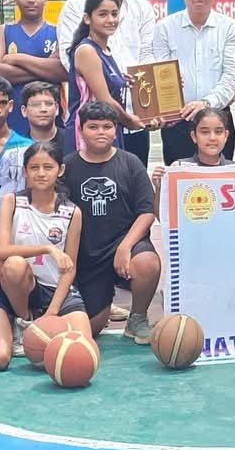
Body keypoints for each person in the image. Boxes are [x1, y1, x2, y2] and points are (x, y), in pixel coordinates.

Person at [61, 100, 162, 341]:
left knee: (147, 263)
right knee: (90, 329)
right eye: (93, 127)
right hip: (88, 254)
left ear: (115, 130)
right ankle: (101, 307)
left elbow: (147, 211)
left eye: (107, 127)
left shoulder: (130, 162)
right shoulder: (69, 166)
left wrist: (125, 247)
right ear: (81, 130)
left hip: (125, 242)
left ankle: (137, 318)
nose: (101, 132)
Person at [55, 0, 160, 159]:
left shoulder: (142, 8)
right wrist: (112, 81)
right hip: (95, 127)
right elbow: (70, 60)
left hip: (134, 113)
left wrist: (158, 90)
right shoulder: (77, 15)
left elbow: (147, 55)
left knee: (129, 172)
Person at [0, 142, 86, 362]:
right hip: (23, 287)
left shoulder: (72, 212)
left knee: (79, 349)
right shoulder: (12, 202)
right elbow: (2, 250)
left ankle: (43, 318)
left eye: (48, 167)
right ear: (25, 171)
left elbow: (70, 269)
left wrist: (52, 314)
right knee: (14, 264)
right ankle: (23, 320)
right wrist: (47, 248)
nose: (41, 173)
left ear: (60, 170)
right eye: (34, 167)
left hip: (56, 289)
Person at [153, 0, 235, 164]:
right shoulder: (164, 28)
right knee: (179, 177)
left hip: (217, 119)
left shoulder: (230, 28)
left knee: (221, 178)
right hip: (178, 122)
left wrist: (205, 104)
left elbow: (230, 77)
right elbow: (160, 75)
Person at [67, 0, 149, 150]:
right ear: (87, 18)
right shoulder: (87, 51)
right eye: (103, 14)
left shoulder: (106, 50)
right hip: (88, 135)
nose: (111, 20)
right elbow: (105, 99)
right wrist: (131, 121)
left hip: (107, 131)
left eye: (114, 14)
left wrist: (121, 81)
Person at [0, 0, 64, 136]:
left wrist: (17, 58)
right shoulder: (2, 31)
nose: (31, 0)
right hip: (12, 116)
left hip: (49, 118)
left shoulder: (59, 32)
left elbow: (63, 71)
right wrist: (46, 69)